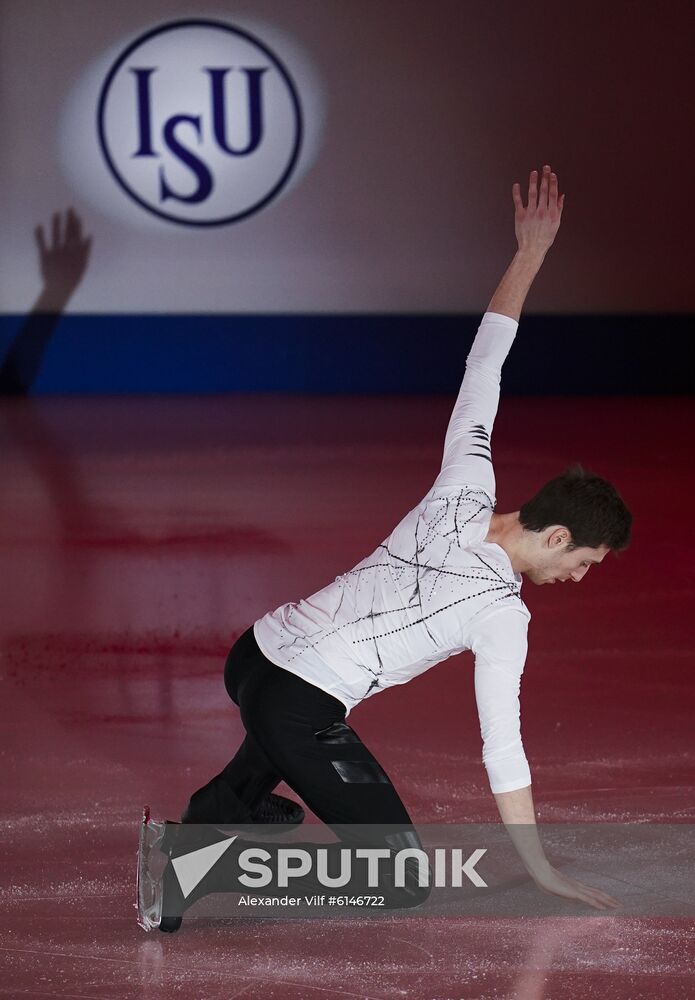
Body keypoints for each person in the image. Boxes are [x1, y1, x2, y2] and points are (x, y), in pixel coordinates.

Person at [173, 164, 630, 924]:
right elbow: (502, 749)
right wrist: (542, 871)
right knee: (397, 882)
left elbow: (484, 366)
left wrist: (527, 255)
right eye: (581, 563)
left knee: (286, 743)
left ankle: (215, 813)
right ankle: (200, 866)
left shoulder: (465, 480)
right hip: (296, 699)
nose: (576, 579)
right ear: (556, 534)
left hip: (251, 656)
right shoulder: (502, 616)